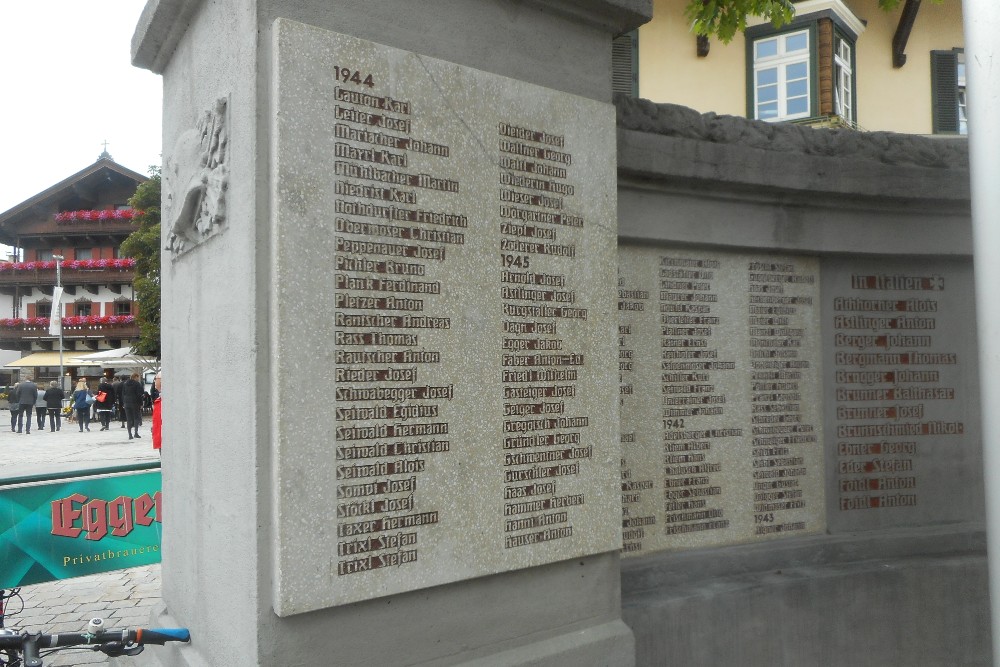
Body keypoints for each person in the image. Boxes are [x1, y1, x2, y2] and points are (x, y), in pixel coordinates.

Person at [122, 372, 144, 440]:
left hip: (126, 403)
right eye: (138, 377)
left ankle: (130, 434)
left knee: (129, 419)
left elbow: (123, 394)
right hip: (135, 403)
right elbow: (139, 394)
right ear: (135, 377)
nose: (138, 379)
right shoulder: (137, 384)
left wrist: (124, 402)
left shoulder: (125, 384)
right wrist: (141, 404)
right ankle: (136, 433)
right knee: (136, 418)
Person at [151, 371, 162, 454]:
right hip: (160, 436)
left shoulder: (161, 401)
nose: (155, 382)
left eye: (156, 379)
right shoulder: (159, 400)